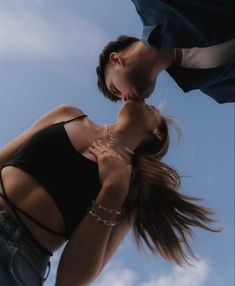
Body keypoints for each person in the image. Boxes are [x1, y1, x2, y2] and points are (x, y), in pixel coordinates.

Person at [0, 101, 218, 286]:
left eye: (152, 107)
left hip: (17, 260)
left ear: (158, 133)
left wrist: (113, 189)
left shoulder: (132, 185)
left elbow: (70, 280)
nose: (143, 100)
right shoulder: (69, 114)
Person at [96, 0, 235, 104]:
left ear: (116, 59)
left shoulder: (152, 3)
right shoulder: (218, 91)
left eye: (115, 89)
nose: (126, 101)